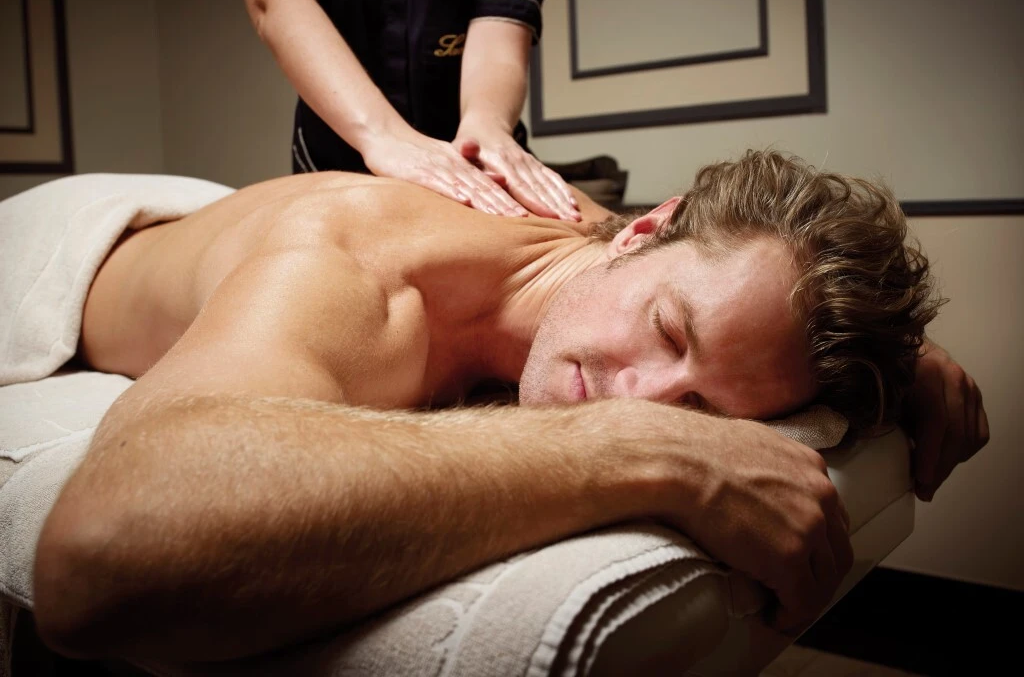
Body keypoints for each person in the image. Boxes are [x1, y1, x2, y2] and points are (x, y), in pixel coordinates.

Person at [33, 150, 987, 664]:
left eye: (700, 407)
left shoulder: (608, 240)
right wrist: (639, 451)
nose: (643, 393)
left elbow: (713, 279)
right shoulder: (349, 282)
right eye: (667, 330)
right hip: (62, 246)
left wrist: (899, 358)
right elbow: (96, 558)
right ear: (645, 238)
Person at [231, 0, 582, 221]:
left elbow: (501, 25)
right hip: (339, 153)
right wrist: (383, 136)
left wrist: (488, 128)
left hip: (477, 167)